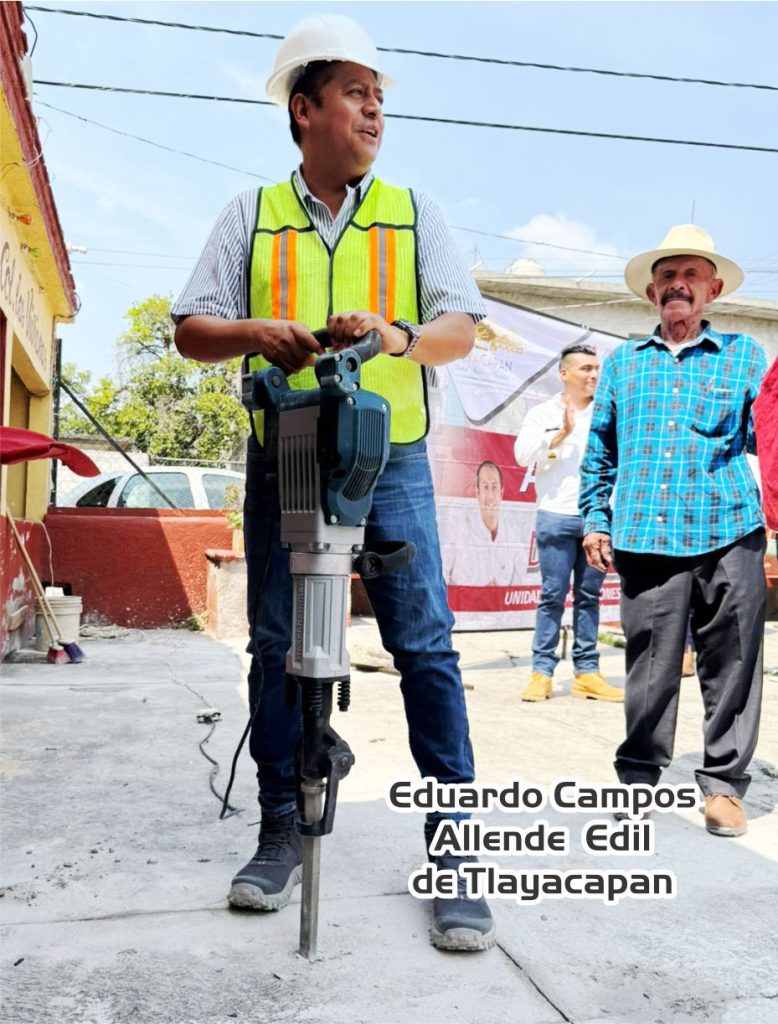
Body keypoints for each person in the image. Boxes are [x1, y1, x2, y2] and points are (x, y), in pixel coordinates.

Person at [172, 14, 494, 951]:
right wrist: (259, 332)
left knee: (424, 647)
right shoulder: (250, 213)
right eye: (357, 94)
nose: (374, 113)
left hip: (385, 455)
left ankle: (456, 855)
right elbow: (192, 327)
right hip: (285, 453)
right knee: (276, 645)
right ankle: (282, 825)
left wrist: (393, 335)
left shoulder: (413, 211)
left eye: (380, 99)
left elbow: (458, 331)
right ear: (304, 108)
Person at [580, 224, 767, 837]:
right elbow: (600, 450)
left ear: (712, 289)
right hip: (645, 534)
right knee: (649, 668)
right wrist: (595, 520)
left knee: (732, 663)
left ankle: (723, 787)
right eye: (667, 276)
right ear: (651, 292)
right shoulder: (622, 363)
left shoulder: (745, 356)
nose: (677, 286)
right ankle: (638, 780)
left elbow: (769, 437)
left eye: (690, 276)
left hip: (729, 529)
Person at [514, 344, 623, 703]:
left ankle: (587, 673)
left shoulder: (608, 413)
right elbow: (522, 456)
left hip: (596, 520)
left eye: (596, 370)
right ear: (564, 373)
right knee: (551, 597)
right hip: (556, 516)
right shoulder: (542, 412)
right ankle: (540, 673)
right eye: (586, 369)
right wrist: (558, 434)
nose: (593, 376)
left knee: (590, 597)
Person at [443, 460, 523, 586]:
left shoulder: (512, 533)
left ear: (501, 493)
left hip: (499, 605)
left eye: (494, 487)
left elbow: (521, 581)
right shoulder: (459, 528)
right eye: (485, 487)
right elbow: (441, 575)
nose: (490, 496)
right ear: (477, 493)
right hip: (464, 604)